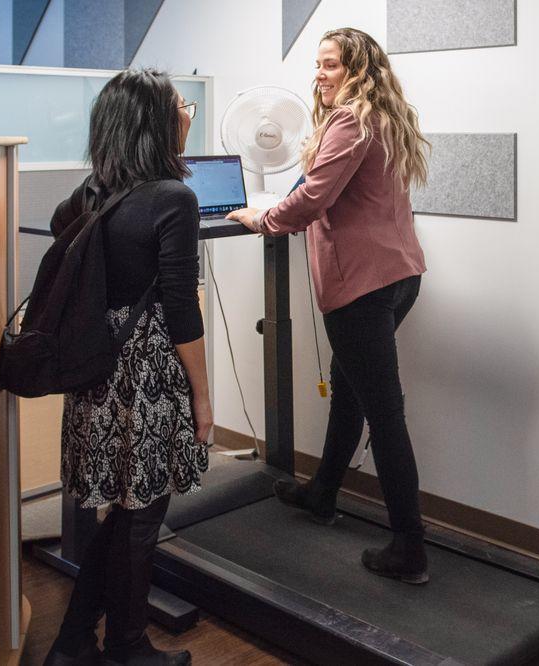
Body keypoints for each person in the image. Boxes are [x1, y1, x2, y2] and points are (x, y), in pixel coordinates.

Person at [227, 27, 431, 584]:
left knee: (384, 415)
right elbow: (331, 188)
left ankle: (410, 550)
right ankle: (323, 493)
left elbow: (313, 198)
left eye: (331, 65)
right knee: (350, 393)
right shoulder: (384, 116)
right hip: (399, 275)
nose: (319, 74)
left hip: (362, 288)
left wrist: (261, 217)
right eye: (317, 65)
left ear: (358, 71)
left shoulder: (349, 120)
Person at [43, 68, 212, 666]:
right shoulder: (174, 198)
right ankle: (127, 648)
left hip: (96, 372)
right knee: (141, 519)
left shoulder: (90, 194)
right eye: (180, 107)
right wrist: (203, 396)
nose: (188, 113)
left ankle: (76, 641)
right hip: (146, 375)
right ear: (158, 124)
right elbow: (180, 310)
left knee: (122, 516)